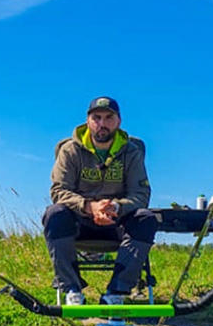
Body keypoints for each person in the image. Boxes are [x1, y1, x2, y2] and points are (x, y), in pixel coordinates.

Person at [42, 96, 158, 305]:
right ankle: (71, 289)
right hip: (79, 222)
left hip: (116, 222)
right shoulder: (70, 150)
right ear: (88, 121)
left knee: (146, 219)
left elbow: (140, 194)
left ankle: (117, 291)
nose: (102, 124)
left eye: (108, 117)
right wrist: (89, 206)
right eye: (97, 118)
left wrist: (116, 207)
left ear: (118, 121)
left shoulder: (132, 152)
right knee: (54, 214)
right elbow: (59, 190)